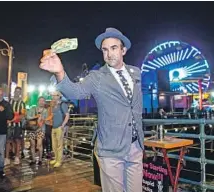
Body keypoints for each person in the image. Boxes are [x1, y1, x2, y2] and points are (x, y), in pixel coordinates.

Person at [40, 27, 144, 191]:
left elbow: (133, 106)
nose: (109, 54)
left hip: (135, 147)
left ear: (124, 50)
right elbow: (76, 91)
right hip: (111, 149)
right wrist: (60, 72)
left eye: (114, 48)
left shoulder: (136, 73)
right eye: (105, 50)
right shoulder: (97, 77)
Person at [48, 91, 70, 168]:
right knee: (54, 145)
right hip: (53, 127)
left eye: (55, 95)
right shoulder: (54, 105)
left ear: (59, 96)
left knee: (59, 145)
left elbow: (67, 115)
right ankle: (56, 158)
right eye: (53, 95)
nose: (53, 97)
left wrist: (63, 125)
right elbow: (52, 116)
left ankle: (59, 161)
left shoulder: (62, 104)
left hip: (59, 127)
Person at [5, 87, 26, 165]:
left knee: (17, 141)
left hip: (17, 125)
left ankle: (17, 157)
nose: (17, 93)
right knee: (8, 141)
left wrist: (12, 120)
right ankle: (6, 158)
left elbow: (23, 115)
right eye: (16, 91)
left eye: (19, 92)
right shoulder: (9, 102)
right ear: (14, 92)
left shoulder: (22, 103)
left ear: (20, 93)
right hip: (9, 125)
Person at [26, 96, 48, 166]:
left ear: (44, 102)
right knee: (32, 145)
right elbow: (27, 117)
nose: (41, 102)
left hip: (40, 129)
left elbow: (45, 120)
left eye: (43, 101)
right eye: (40, 100)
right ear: (37, 101)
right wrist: (35, 117)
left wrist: (42, 119)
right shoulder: (33, 108)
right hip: (32, 129)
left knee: (39, 145)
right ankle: (33, 159)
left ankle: (40, 159)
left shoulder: (45, 111)